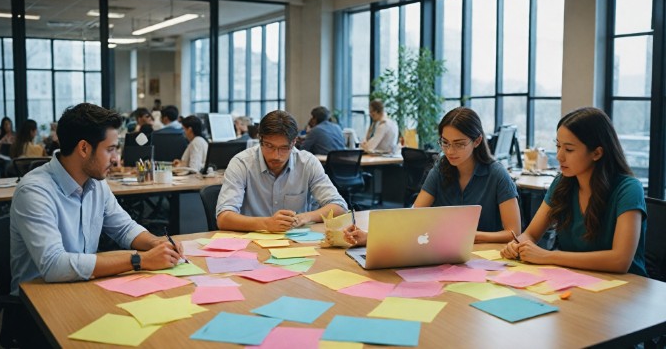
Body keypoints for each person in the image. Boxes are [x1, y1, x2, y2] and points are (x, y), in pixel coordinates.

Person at [9, 103, 184, 347]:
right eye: (111, 149)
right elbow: (53, 265)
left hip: (83, 288)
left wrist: (156, 243)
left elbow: (123, 228)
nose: (117, 158)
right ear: (83, 148)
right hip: (38, 307)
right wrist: (139, 260)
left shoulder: (95, 183)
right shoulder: (35, 191)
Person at [344, 107, 521, 246]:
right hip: (444, 255)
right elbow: (413, 218)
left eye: (459, 144)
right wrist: (370, 237)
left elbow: (514, 232)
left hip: (486, 261)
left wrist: (472, 236)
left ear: (477, 141)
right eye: (445, 143)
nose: (450, 151)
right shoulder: (441, 168)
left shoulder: (497, 174)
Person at [501, 107, 646, 275]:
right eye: (558, 146)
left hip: (626, 289)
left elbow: (620, 261)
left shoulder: (628, 189)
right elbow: (531, 234)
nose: (559, 156)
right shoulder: (562, 183)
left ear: (597, 153)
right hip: (575, 280)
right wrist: (518, 244)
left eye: (569, 149)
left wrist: (549, 256)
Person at [216, 110, 348, 232]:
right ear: (260, 139)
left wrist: (305, 217)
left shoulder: (307, 163)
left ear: (294, 142)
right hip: (251, 245)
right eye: (269, 146)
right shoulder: (241, 163)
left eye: (284, 148)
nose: (276, 155)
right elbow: (223, 218)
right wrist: (267, 224)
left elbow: (339, 207)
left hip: (296, 243)